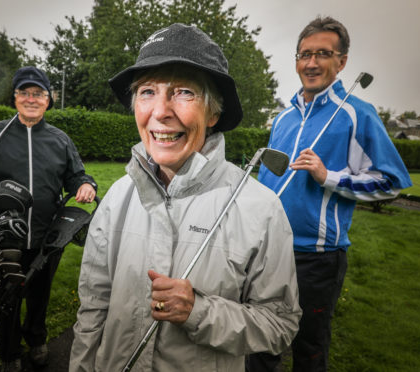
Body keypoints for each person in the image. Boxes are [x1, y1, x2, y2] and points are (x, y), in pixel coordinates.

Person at [69, 23, 301, 371]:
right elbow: (92, 308)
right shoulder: (117, 197)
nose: (160, 111)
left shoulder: (261, 209)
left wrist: (200, 312)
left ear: (214, 113)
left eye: (183, 92)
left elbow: (280, 325)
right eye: (147, 91)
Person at [255, 16, 412, 371]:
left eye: (323, 54)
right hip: (267, 249)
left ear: (341, 62)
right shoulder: (282, 119)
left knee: (309, 348)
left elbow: (392, 181)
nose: (311, 63)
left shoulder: (358, 115)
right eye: (304, 54)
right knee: (260, 343)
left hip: (316, 258)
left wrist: (329, 176)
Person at [0, 66, 97, 372]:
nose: (31, 99)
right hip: (2, 236)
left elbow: (76, 176)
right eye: (25, 92)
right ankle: (9, 353)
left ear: (48, 100)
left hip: (47, 236)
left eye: (38, 93)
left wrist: (86, 185)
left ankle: (37, 340)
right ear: (15, 98)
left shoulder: (59, 139)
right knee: (6, 299)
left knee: (39, 295)